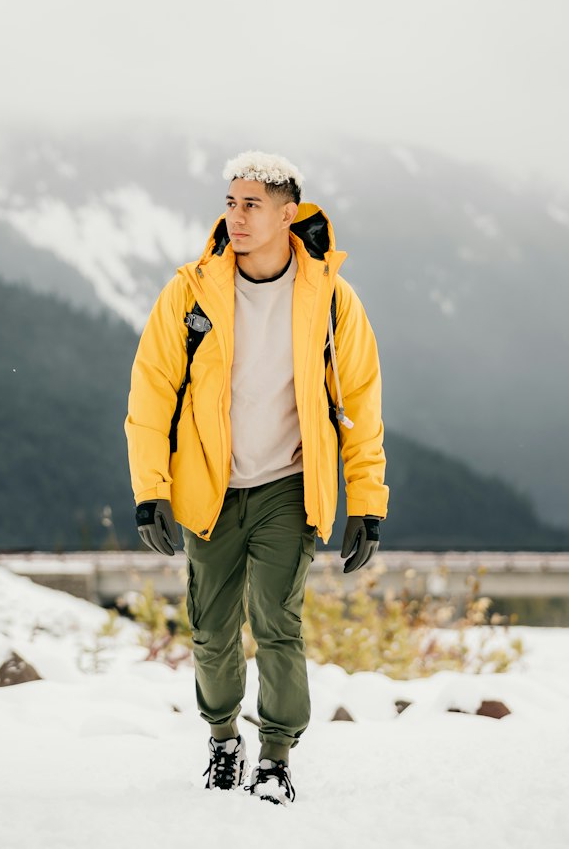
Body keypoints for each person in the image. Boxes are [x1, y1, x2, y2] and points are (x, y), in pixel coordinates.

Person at [124, 149, 389, 805]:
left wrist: (368, 502)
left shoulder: (331, 299)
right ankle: (222, 738)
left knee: (278, 620)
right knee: (212, 631)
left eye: (250, 205)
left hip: (288, 487)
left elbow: (360, 402)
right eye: (230, 203)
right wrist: (150, 490)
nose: (235, 217)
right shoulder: (190, 293)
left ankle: (276, 755)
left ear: (287, 214)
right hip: (210, 488)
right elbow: (151, 394)